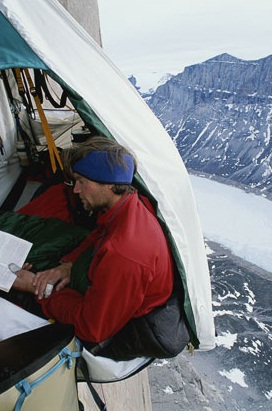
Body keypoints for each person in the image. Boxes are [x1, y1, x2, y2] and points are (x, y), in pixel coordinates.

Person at [13, 137, 189, 360]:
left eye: (81, 181)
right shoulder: (129, 203)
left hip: (119, 328)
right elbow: (101, 231)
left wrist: (36, 288)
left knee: (19, 296)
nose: (75, 190)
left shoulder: (124, 254)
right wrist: (68, 265)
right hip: (117, 294)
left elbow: (92, 329)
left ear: (108, 184)